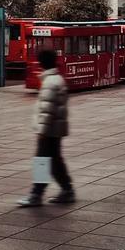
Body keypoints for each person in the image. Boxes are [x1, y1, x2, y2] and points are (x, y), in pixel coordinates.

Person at [19, 49, 74, 207]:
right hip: (56, 129)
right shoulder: (57, 79)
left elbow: (47, 110)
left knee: (42, 161)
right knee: (56, 161)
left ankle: (36, 195)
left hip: (49, 131)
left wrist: (41, 132)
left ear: (42, 63)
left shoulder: (50, 83)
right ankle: (67, 190)